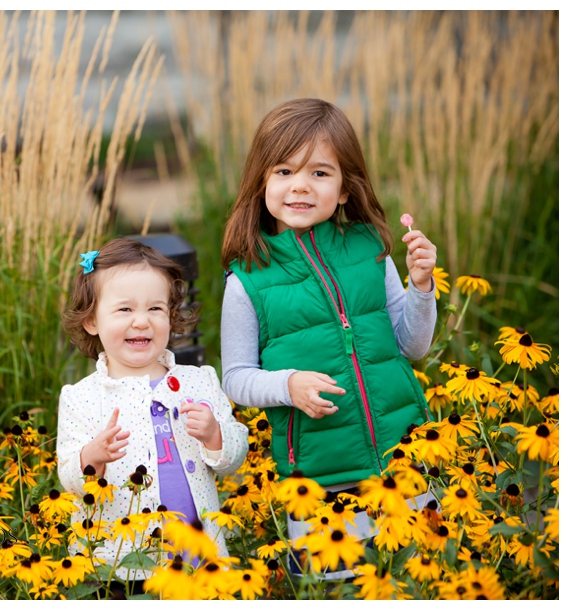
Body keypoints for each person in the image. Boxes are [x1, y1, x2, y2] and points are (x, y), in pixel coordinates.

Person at [219, 98, 439, 578]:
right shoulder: (248, 280)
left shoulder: (370, 249)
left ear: (343, 189)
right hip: (319, 476)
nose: (300, 185)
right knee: (339, 586)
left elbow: (411, 345)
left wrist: (422, 287)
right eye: (283, 171)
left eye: (319, 173)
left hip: (405, 453)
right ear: (262, 183)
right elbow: (235, 378)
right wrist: (289, 384)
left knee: (421, 579)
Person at [57, 238, 248, 584]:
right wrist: (92, 456)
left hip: (198, 557)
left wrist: (215, 435)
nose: (142, 322)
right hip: (121, 565)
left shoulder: (199, 381)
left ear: (172, 317)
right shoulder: (82, 397)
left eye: (155, 309)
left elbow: (235, 454)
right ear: (91, 321)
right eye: (125, 310)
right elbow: (69, 477)